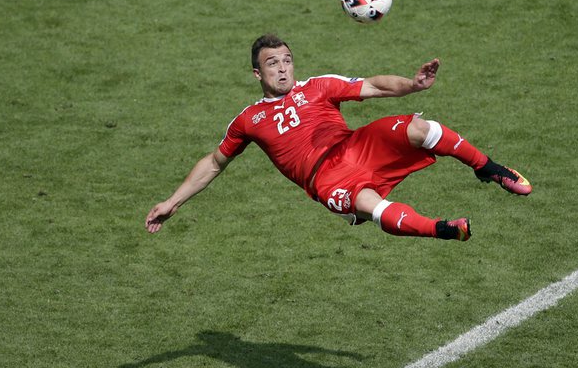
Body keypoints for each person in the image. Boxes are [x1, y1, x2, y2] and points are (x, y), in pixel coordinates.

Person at [146, 34, 530, 241]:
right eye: (272, 63)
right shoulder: (249, 119)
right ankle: (443, 229)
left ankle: (488, 168)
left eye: (286, 60)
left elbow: (374, 86)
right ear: (256, 75)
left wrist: (412, 85)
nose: (282, 68)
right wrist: (173, 201)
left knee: (422, 128)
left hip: (355, 146)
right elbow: (215, 162)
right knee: (372, 206)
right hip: (325, 178)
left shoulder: (318, 86)